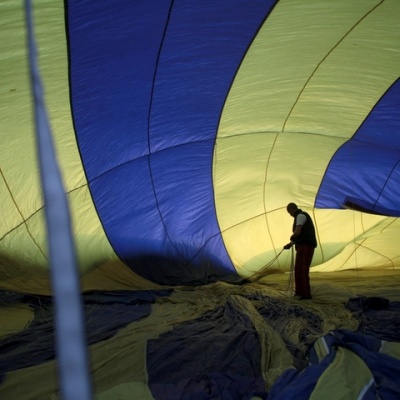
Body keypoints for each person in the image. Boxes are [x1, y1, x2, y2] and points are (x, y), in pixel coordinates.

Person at [283, 203, 317, 300]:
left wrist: (292, 237)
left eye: (289, 212)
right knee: (298, 270)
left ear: (292, 209)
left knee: (302, 270)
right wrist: (290, 245)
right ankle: (299, 292)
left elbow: (297, 232)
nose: (290, 214)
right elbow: (300, 236)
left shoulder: (301, 216)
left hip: (306, 246)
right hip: (303, 246)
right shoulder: (300, 216)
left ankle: (306, 295)